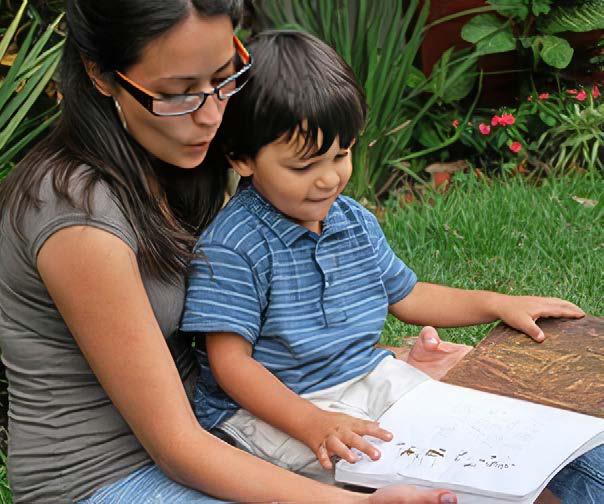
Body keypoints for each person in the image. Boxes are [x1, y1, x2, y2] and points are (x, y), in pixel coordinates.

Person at [0, 1, 468, 503]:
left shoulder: (175, 155)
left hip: (215, 433)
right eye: (178, 93)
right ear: (101, 74)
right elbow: (177, 447)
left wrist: (372, 370)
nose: (212, 115)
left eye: (225, 77)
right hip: (110, 477)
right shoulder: (78, 216)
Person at [180, 30, 603, 502]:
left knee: (465, 433)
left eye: (341, 155)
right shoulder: (234, 246)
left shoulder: (351, 221)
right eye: (303, 166)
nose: (329, 179)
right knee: (384, 473)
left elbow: (409, 295)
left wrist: (498, 304)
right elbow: (231, 365)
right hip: (276, 407)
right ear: (242, 159)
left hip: (368, 375)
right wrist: (312, 422)